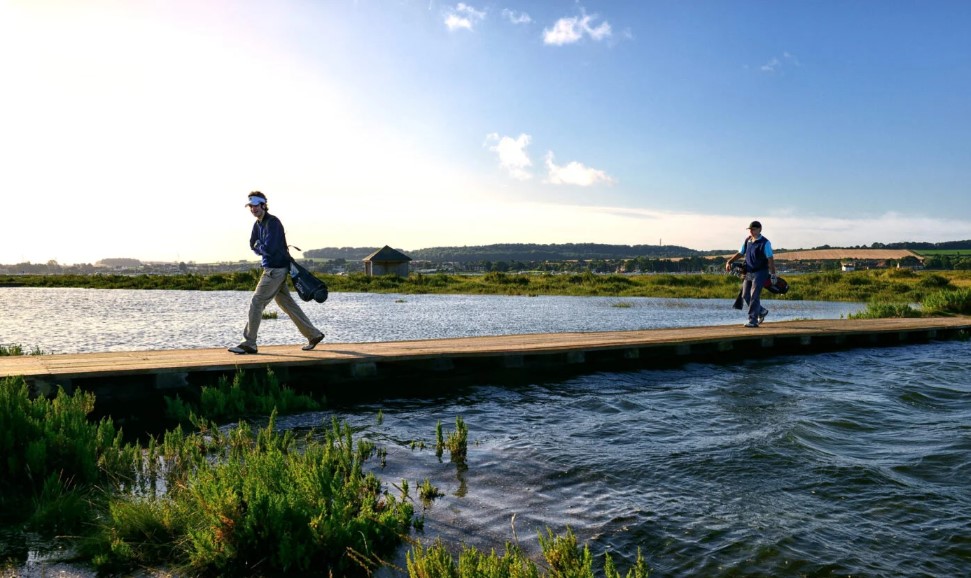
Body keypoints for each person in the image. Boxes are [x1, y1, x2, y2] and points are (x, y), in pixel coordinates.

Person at [228, 191, 325, 354]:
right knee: (287, 304)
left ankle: (249, 343)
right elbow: (253, 244)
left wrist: (260, 247)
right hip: (273, 269)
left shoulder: (273, 223)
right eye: (250, 206)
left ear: (263, 205)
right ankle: (313, 334)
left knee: (257, 302)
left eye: (256, 205)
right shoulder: (257, 224)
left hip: (275, 270)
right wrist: (260, 247)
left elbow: (269, 249)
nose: (253, 209)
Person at [725, 220, 778, 328]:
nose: (751, 232)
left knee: (754, 294)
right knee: (745, 294)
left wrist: (773, 274)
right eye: (750, 230)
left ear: (760, 229)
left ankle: (753, 320)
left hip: (761, 271)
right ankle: (761, 311)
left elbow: (770, 259)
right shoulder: (748, 240)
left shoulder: (765, 243)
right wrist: (729, 261)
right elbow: (740, 253)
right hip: (750, 272)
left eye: (753, 229)